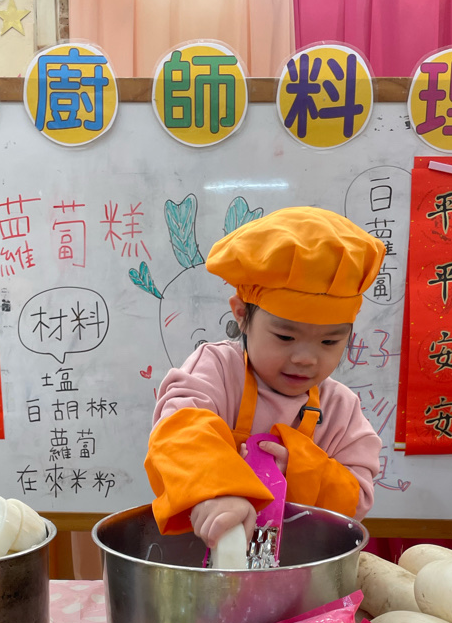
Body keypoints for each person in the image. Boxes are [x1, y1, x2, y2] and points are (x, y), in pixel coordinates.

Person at [144, 206, 386, 550]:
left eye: (330, 342)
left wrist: (299, 469)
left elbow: (357, 498)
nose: (305, 358)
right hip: (203, 557)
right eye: (285, 337)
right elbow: (180, 430)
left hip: (299, 563)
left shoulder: (341, 409)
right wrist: (217, 490)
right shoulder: (217, 369)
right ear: (241, 314)